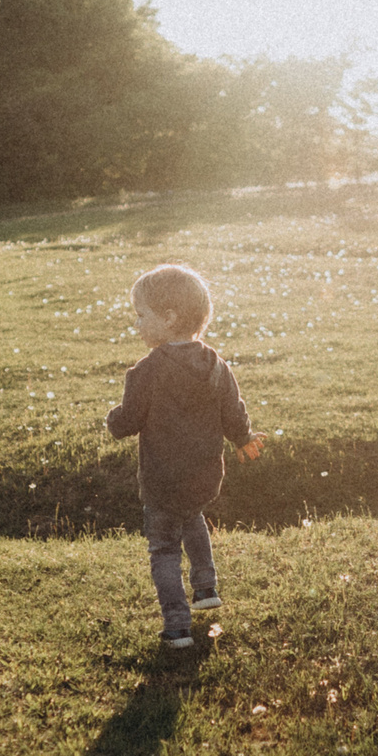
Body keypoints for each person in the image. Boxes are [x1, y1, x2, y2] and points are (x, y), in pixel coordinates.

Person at [105, 264, 261, 649]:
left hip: (162, 477)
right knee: (193, 515)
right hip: (203, 473)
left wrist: (112, 420)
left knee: (163, 549)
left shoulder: (145, 371)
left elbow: (128, 422)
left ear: (169, 318)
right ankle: (206, 586)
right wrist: (243, 438)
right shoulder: (215, 364)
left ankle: (176, 624)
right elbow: (232, 409)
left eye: (142, 316)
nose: (137, 325)